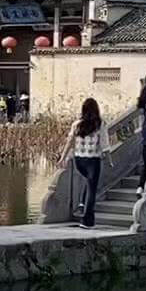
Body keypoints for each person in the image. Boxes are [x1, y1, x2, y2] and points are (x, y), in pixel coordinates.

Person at [64, 98, 112, 229]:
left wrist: (63, 157)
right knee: (92, 189)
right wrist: (109, 161)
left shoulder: (77, 124)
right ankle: (87, 220)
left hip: (79, 161)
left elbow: (69, 142)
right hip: (92, 160)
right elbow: (105, 145)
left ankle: (81, 204)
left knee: (88, 182)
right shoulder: (100, 124)